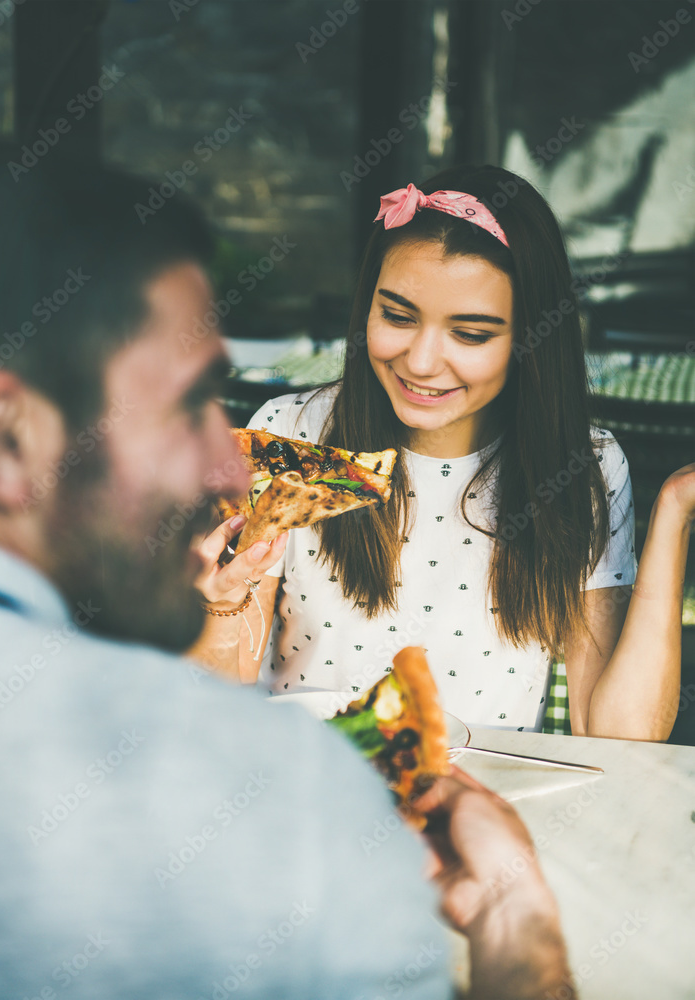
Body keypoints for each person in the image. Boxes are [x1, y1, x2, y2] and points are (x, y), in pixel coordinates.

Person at [0, 146, 577, 999]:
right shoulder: (298, 807)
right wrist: (517, 924)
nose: (229, 467)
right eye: (187, 406)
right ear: (5, 439)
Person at [195, 166, 695, 742]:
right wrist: (220, 605)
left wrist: (676, 511)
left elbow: (619, 738)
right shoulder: (294, 437)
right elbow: (218, 706)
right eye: (398, 316)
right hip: (311, 785)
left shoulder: (583, 468)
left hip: (482, 803)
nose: (423, 361)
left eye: (471, 334)